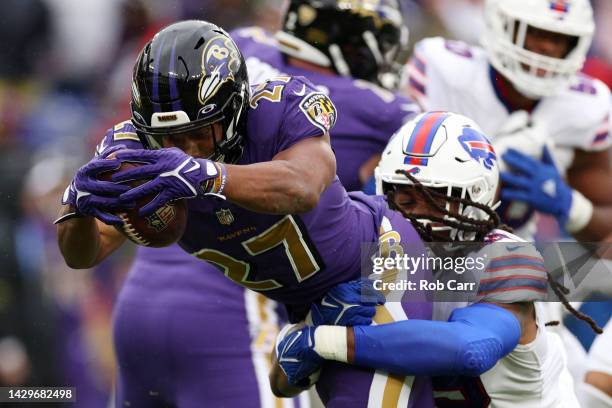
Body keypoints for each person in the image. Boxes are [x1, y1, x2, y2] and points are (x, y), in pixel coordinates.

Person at [55, 20, 433, 407]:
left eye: (200, 133)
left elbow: (303, 186)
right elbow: (81, 254)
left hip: (377, 266)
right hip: (307, 312)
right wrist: (77, 209)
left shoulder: (276, 107)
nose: (187, 149)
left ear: (233, 108)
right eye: (169, 139)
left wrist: (205, 175)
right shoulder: (135, 153)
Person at [273, 111, 598, 407]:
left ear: (476, 198)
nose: (416, 216)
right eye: (406, 198)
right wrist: (308, 335)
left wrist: (326, 339)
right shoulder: (378, 253)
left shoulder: (504, 256)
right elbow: (282, 381)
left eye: (436, 199)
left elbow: (469, 350)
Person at [406, 0, 612, 241]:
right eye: (534, 32)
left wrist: (570, 206)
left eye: (559, 39)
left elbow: (606, 232)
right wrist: (485, 171)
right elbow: (392, 191)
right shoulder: (445, 71)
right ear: (501, 24)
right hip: (424, 245)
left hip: (512, 256)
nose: (547, 47)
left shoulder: (584, 107)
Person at [232, 0, 418, 192]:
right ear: (347, 36)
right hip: (301, 211)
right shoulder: (382, 107)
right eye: (381, 42)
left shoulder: (245, 42)